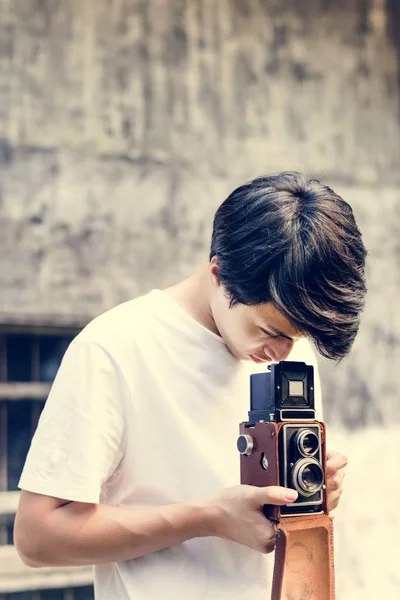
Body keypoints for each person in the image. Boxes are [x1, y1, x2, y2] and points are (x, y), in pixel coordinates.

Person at [14, 171, 366, 600]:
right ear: (219, 274)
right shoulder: (115, 346)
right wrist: (206, 518)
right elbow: (36, 537)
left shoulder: (290, 349)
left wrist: (311, 497)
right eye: (268, 331)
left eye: (297, 338)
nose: (284, 352)